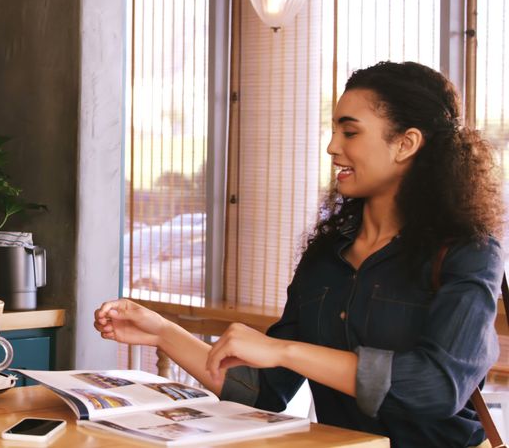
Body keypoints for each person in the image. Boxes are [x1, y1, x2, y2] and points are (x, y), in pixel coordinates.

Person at [96, 61, 505, 447]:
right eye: (333, 131)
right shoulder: (326, 255)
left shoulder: (468, 252)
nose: (331, 146)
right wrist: (162, 331)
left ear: (406, 143)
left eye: (350, 132)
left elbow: (436, 387)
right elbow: (262, 391)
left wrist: (285, 351)